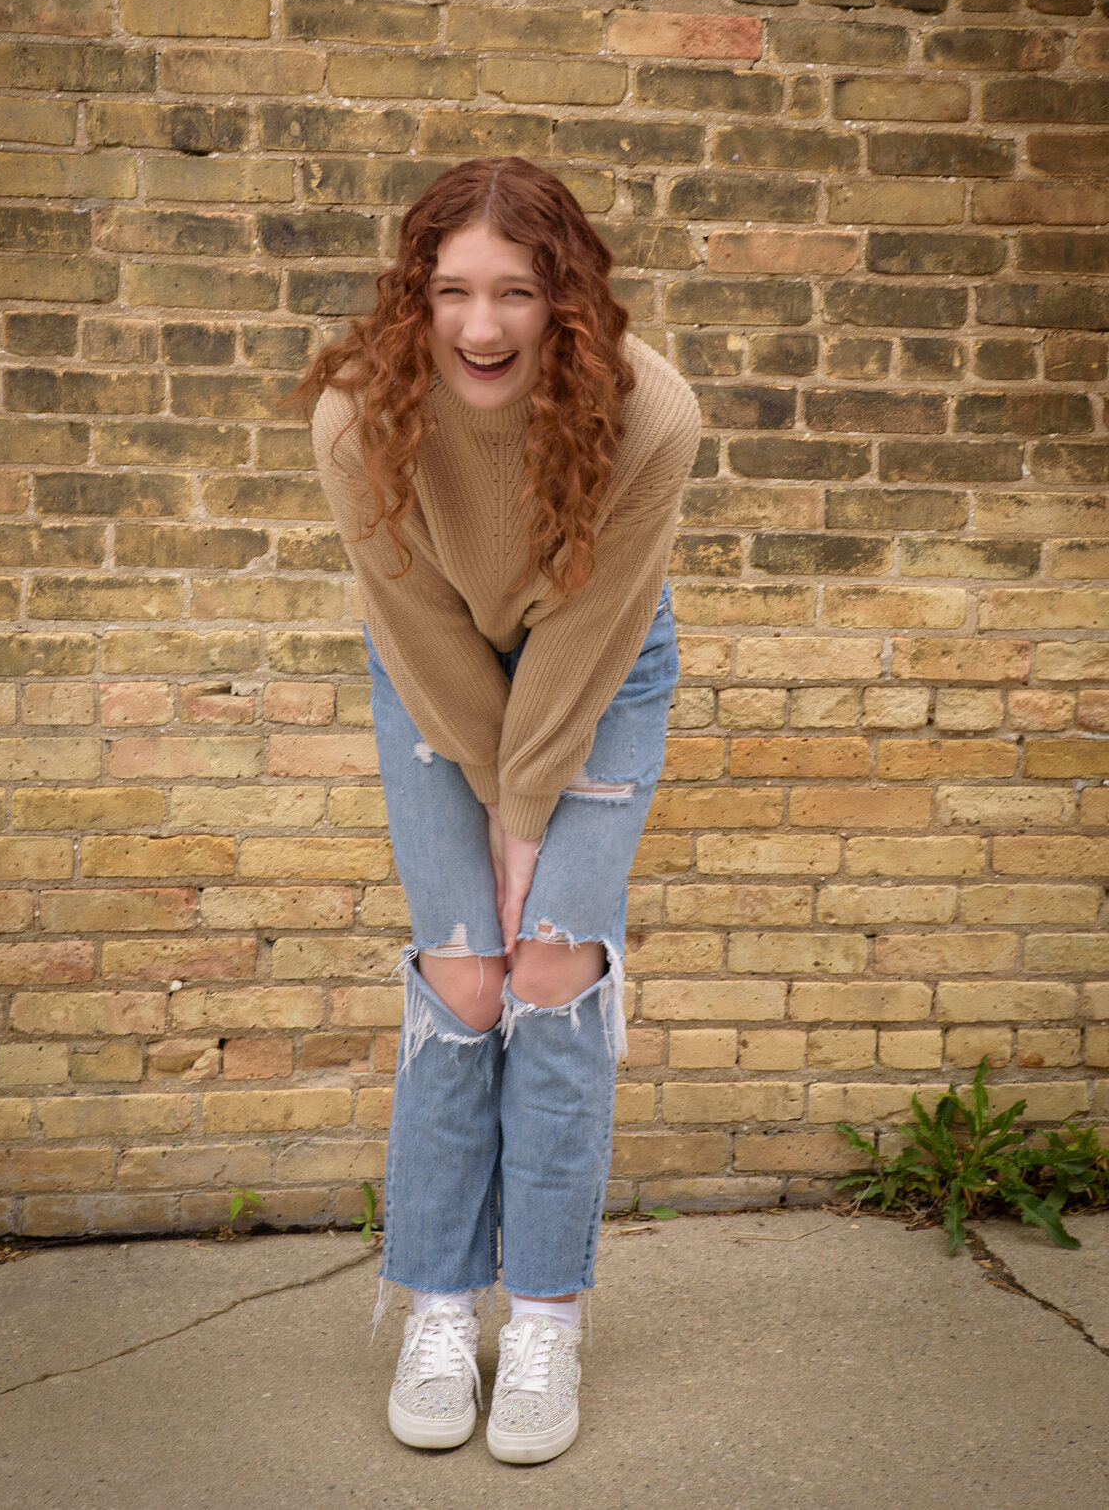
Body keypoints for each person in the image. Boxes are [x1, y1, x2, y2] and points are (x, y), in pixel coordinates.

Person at [292, 155, 701, 1464]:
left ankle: (543, 1317)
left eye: (516, 292)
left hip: (604, 664)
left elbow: (587, 633)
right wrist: (492, 795)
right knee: (468, 977)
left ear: (565, 299)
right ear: (413, 298)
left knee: (552, 969)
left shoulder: (653, 418)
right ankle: (434, 1304)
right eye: (454, 291)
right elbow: (412, 618)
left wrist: (529, 816)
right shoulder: (359, 419)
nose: (481, 327)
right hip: (433, 669)